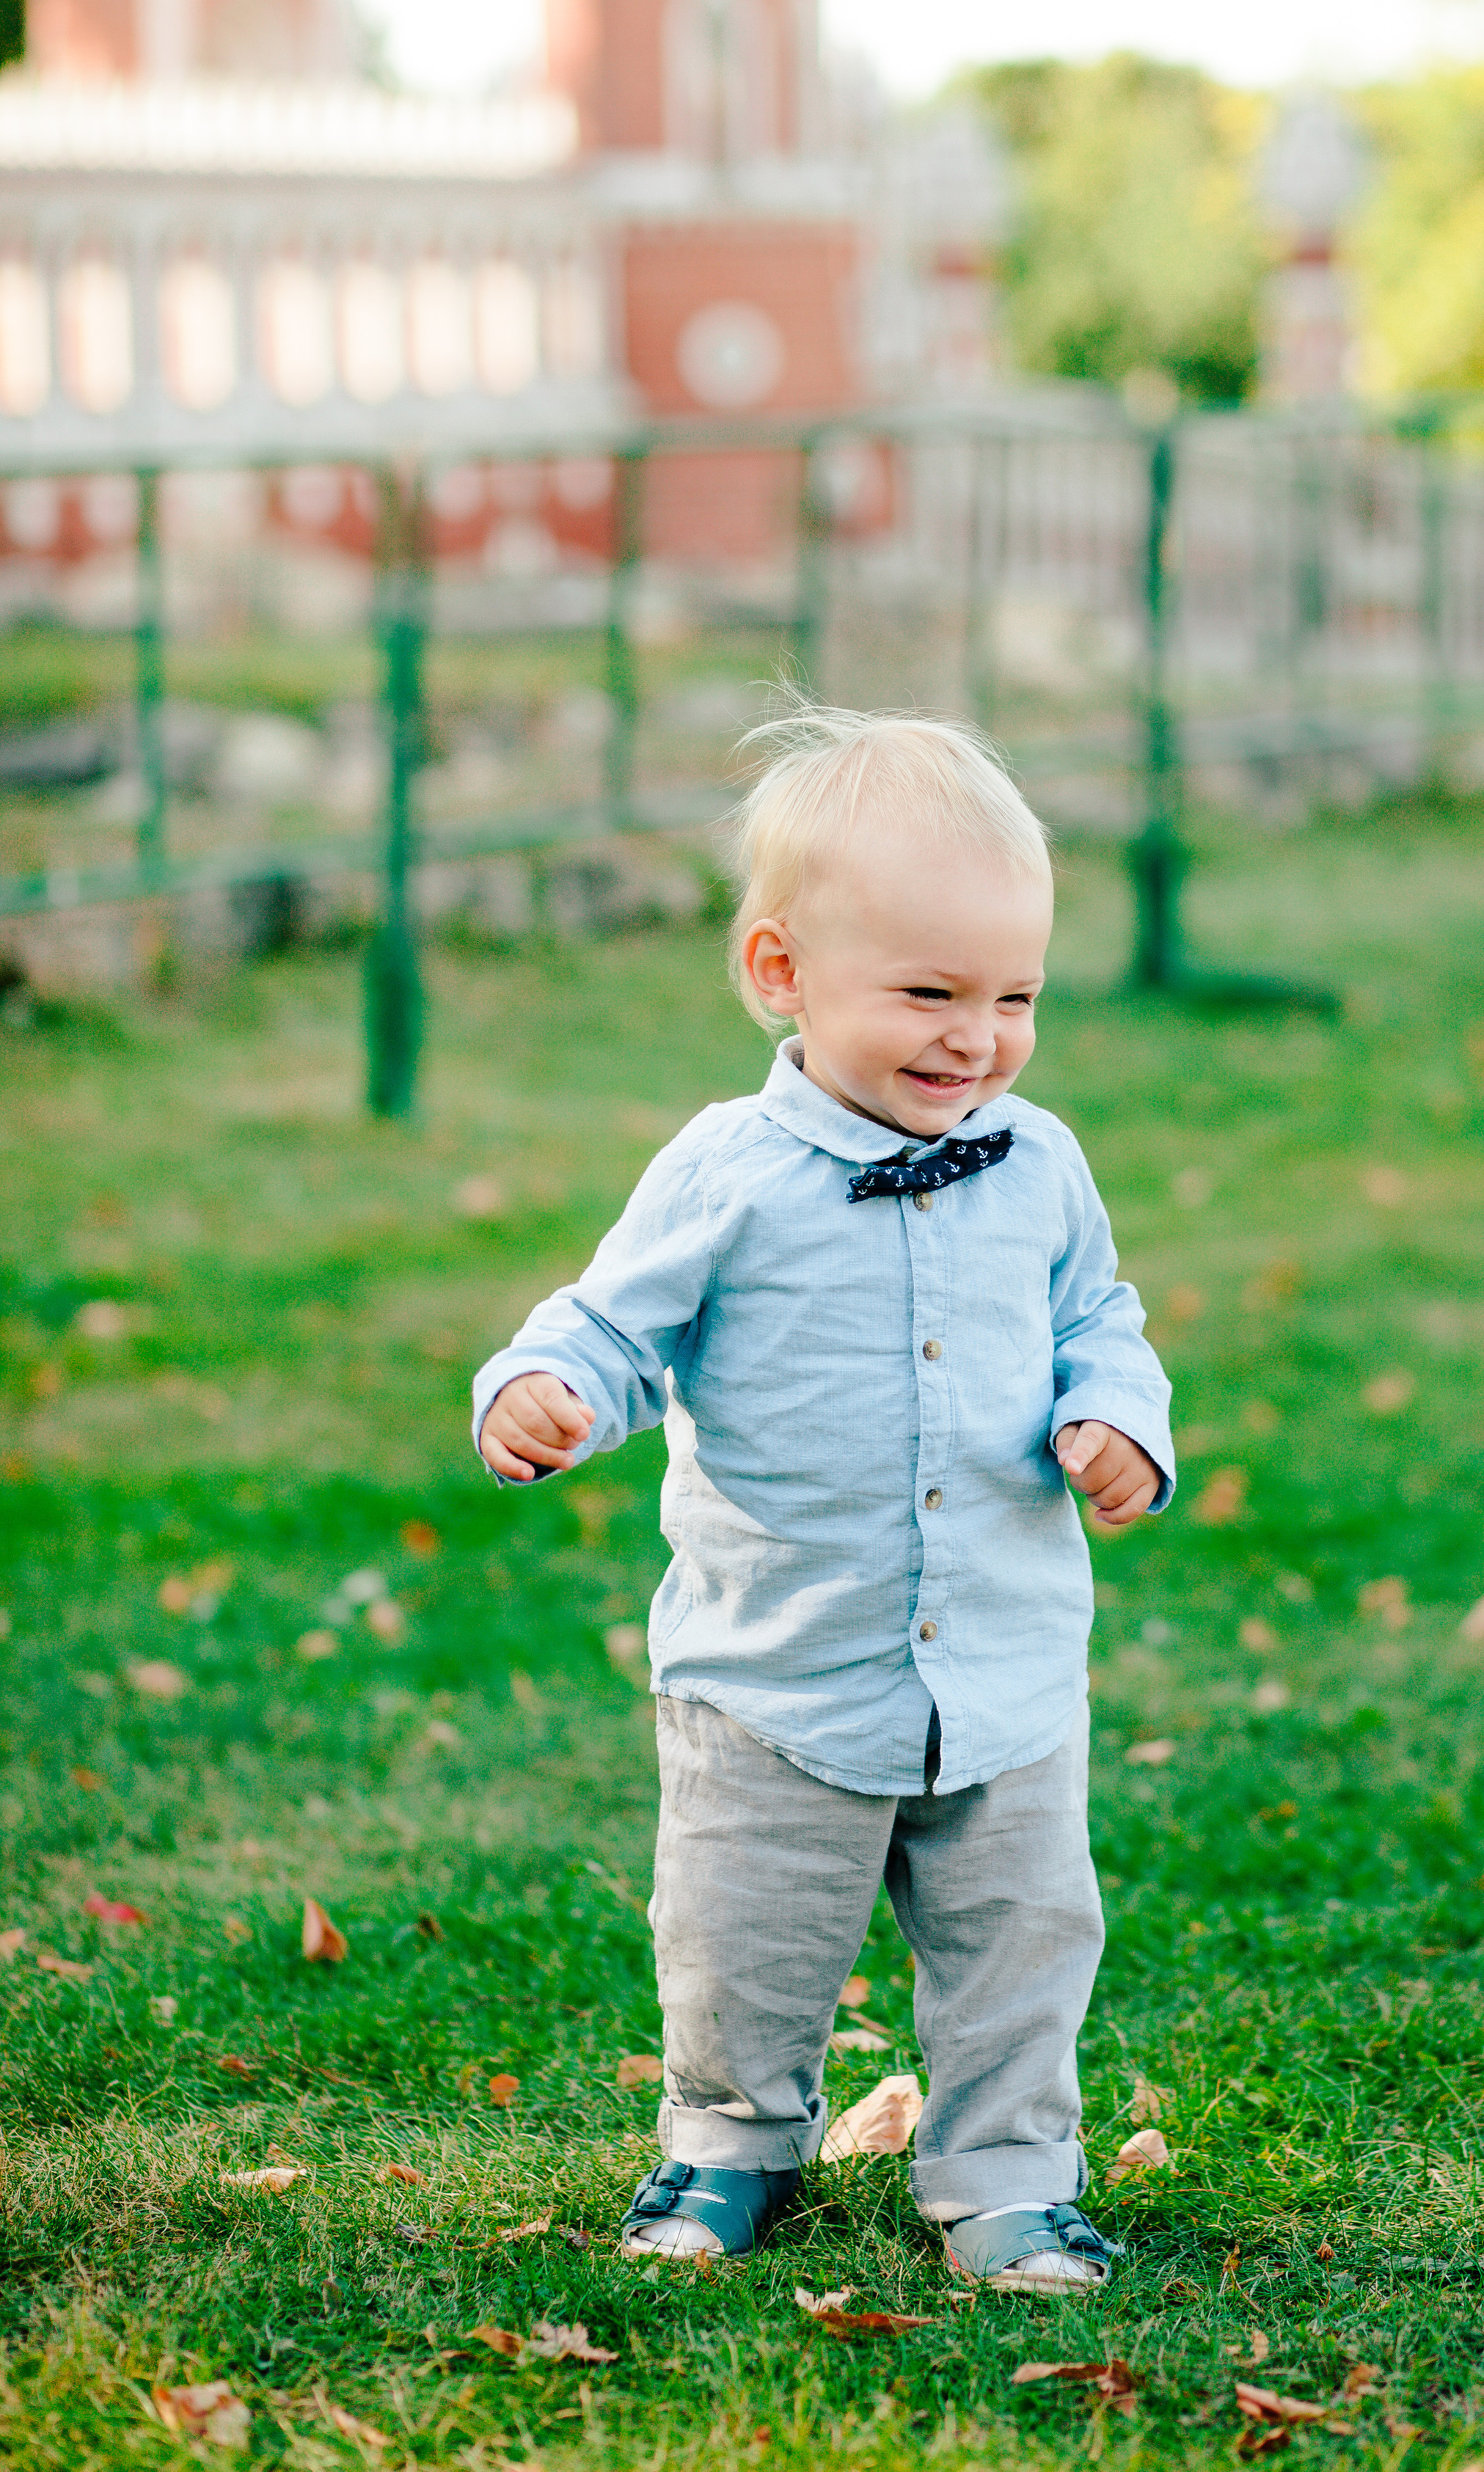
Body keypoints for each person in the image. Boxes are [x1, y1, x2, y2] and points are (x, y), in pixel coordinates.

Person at [472, 705, 1174, 2294]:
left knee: (1017, 1945)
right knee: (744, 1942)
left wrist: (1113, 1415)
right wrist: (546, 1393)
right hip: (777, 1670)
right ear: (781, 972)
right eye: (926, 993)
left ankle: (1005, 2178)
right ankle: (727, 2144)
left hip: (998, 1666)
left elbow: (1094, 1319)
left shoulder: (1039, 1161)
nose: (973, 1037)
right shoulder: (726, 1172)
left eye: (1013, 997)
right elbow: (613, 1325)